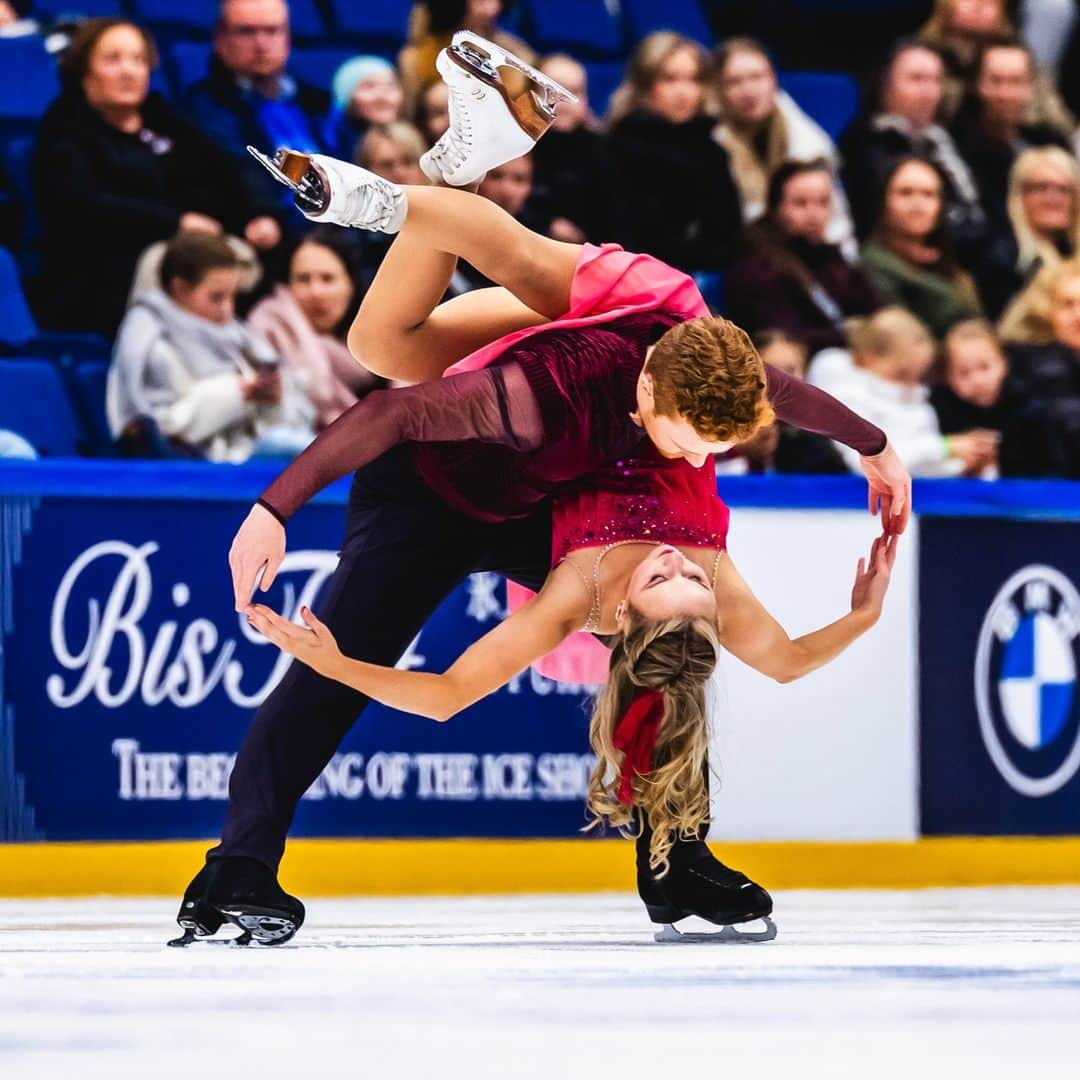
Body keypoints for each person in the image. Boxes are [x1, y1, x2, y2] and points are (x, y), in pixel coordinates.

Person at [172, 42, 910, 946]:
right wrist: (274, 507)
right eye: (699, 441)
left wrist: (875, 446)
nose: (707, 460)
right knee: (343, 634)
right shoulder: (547, 394)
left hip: (553, 500)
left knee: (666, 642)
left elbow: (771, 394)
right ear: (648, 396)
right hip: (432, 495)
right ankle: (236, 870)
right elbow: (395, 420)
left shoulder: (699, 360)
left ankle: (675, 860)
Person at [31, 18, 270, 338]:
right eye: (113, 59)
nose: (129, 70)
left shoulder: (166, 120)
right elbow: (83, 205)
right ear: (84, 70)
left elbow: (232, 169)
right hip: (105, 270)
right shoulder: (65, 129)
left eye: (138, 59)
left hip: (193, 257)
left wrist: (259, 213)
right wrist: (176, 224)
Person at [108, 231, 316, 462]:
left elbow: (279, 424)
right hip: (197, 475)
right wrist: (238, 392)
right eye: (217, 298)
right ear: (180, 289)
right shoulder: (152, 345)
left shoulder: (236, 337)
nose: (228, 310)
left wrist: (271, 399)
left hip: (242, 460)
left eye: (232, 297)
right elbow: (157, 432)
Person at [606, 32, 743, 274]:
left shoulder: (712, 153)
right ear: (645, 85)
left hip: (704, 284)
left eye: (693, 80)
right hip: (634, 282)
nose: (683, 92)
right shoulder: (616, 150)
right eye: (669, 79)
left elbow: (728, 239)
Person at [181, 0, 328, 220]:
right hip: (272, 230)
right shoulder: (203, 108)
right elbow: (243, 176)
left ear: (287, 38)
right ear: (220, 40)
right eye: (246, 32)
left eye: (272, 31)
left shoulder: (317, 103)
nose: (261, 44)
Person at [810, 307, 997, 477]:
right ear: (876, 360)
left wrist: (964, 464)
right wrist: (945, 447)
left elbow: (919, 468)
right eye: (902, 375)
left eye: (919, 377)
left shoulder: (918, 399)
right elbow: (867, 461)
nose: (914, 385)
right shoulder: (845, 391)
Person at [713, 37, 854, 252]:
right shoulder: (712, 148)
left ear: (773, 80)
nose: (748, 90)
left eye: (756, 77)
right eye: (735, 82)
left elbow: (837, 223)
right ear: (719, 90)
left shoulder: (809, 141)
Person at [725, 160, 883, 353]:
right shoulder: (756, 266)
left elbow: (877, 312)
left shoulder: (831, 257)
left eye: (823, 203)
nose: (814, 213)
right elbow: (786, 337)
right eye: (800, 203)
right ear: (776, 208)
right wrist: (852, 335)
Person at [840, 39, 984, 243]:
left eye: (935, 80)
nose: (928, 92)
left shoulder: (949, 139)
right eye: (916, 79)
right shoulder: (866, 145)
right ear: (885, 86)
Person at [248, 229, 381, 429]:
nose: (316, 292)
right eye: (303, 279)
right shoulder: (267, 330)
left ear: (351, 284)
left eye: (328, 279)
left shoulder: (384, 343)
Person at [951, 39, 1071, 246]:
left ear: (1030, 86)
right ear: (975, 85)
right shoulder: (958, 151)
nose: (1005, 93)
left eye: (1016, 81)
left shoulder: (1052, 142)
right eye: (996, 81)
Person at [860, 156, 981, 339]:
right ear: (883, 200)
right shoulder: (870, 267)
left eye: (928, 194)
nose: (918, 205)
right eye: (905, 193)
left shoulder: (952, 269)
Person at [930, 317, 1065, 475]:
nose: (977, 380)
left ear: (1003, 363)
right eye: (964, 373)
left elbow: (1055, 470)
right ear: (947, 378)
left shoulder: (1033, 410)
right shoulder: (939, 411)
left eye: (985, 367)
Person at [919, 0, 1074, 132]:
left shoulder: (1014, 54)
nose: (979, 5)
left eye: (990, 1)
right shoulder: (924, 55)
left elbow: (1055, 120)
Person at [527, 54, 622, 246]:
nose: (565, 101)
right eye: (553, 90)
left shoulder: (602, 150)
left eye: (575, 91)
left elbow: (616, 219)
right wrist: (545, 224)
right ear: (532, 92)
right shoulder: (517, 146)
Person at [994, 145, 1080, 331]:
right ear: (1019, 195)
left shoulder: (1071, 252)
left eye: (1064, 189)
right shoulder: (1003, 258)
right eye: (1041, 188)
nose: (1053, 198)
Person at [398, 0, 534, 113]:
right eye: (481, 1)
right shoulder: (416, 57)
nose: (492, 9)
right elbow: (409, 115)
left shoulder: (517, 53)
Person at [323, 56, 404, 161]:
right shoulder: (327, 147)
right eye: (369, 86)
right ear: (345, 98)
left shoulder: (413, 141)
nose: (383, 96)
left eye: (391, 85)